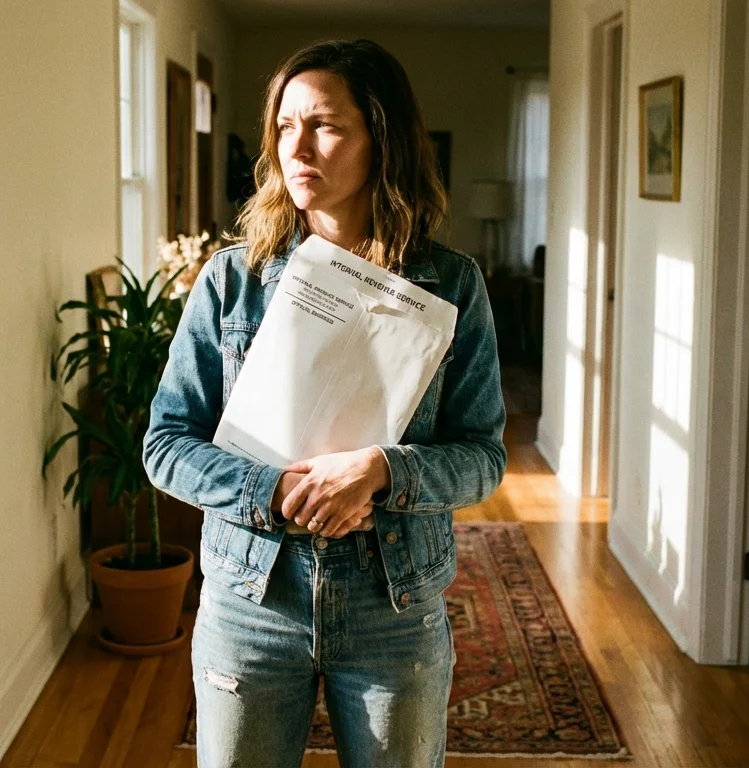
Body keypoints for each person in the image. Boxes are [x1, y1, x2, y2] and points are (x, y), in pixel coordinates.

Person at [142, 38, 507, 768]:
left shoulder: (451, 285)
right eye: (285, 124)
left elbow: (484, 457)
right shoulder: (230, 281)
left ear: (383, 139)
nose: (296, 146)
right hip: (252, 601)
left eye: (327, 126)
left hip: (393, 605)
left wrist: (383, 470)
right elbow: (165, 444)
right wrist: (269, 489)